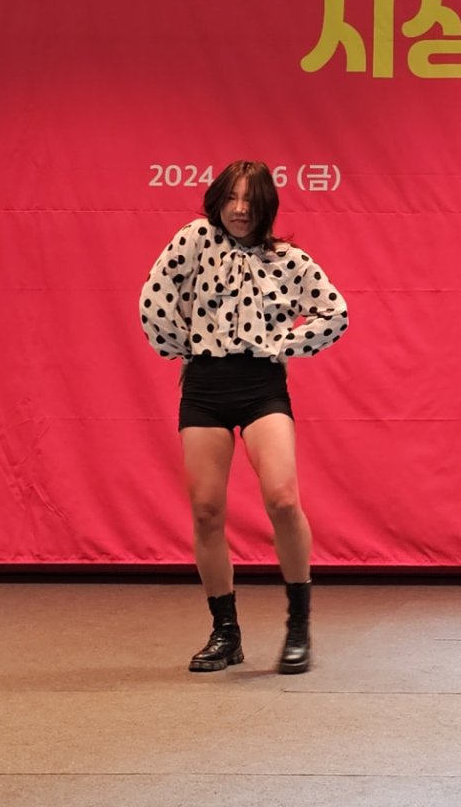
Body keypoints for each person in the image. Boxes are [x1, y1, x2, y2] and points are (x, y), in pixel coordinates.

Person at [139, 160, 348, 674]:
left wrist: (282, 345)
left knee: (283, 497)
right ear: (217, 201)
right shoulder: (193, 239)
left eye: (250, 201)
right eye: (231, 198)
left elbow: (335, 312)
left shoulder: (287, 259)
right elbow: (154, 299)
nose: (239, 209)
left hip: (261, 387)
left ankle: (298, 625)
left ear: (266, 207)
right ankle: (225, 631)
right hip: (206, 387)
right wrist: (184, 345)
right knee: (207, 511)